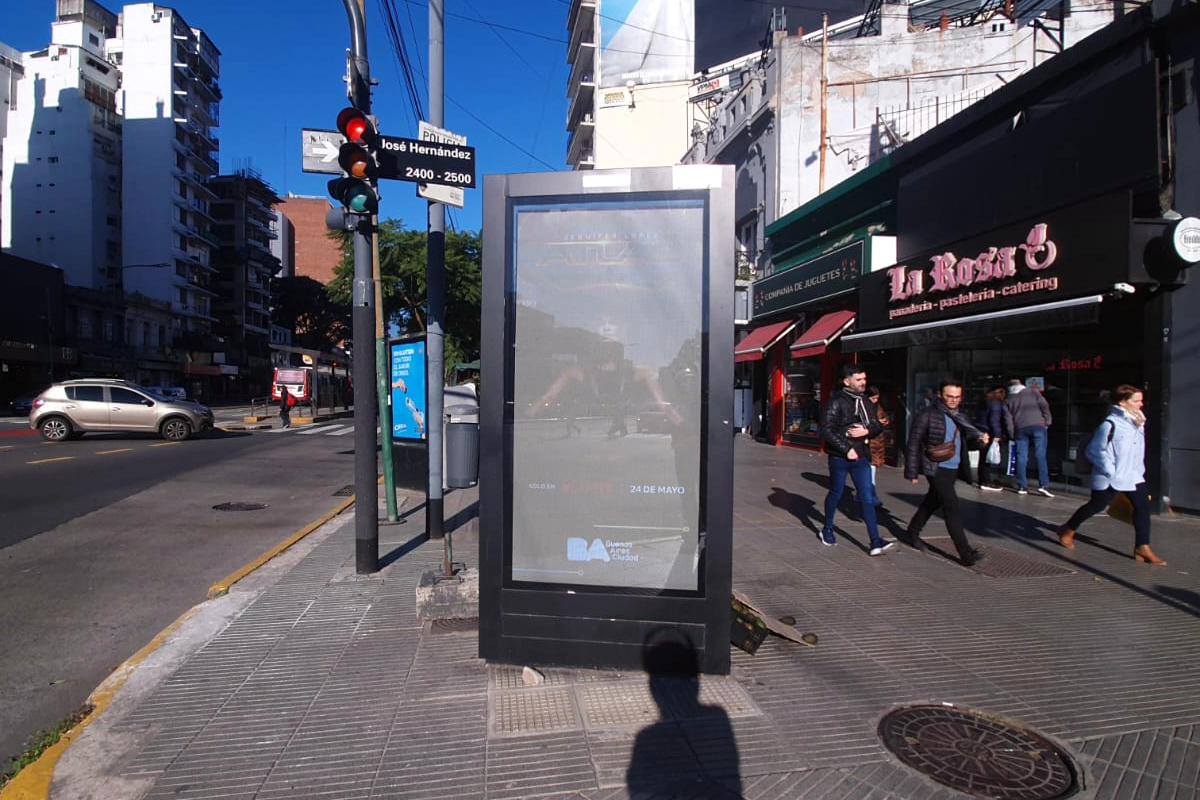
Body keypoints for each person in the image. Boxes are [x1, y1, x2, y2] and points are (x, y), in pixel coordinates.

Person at [1056, 385, 1165, 565]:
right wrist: (1110, 470)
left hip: (1133, 474)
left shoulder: (1138, 422)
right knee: (1096, 505)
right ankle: (1068, 528)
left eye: (1141, 400)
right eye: (1136, 400)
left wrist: (1138, 469)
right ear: (1122, 402)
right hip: (1110, 476)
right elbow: (1094, 451)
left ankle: (1142, 547)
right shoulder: (1109, 424)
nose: (1141, 404)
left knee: (1142, 506)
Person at [904, 379, 991, 566]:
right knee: (951, 506)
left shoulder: (962, 417)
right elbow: (913, 442)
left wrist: (981, 442)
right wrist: (912, 472)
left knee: (932, 501)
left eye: (957, 397)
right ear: (940, 395)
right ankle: (965, 553)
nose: (953, 400)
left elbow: (967, 443)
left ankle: (911, 533)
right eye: (949, 396)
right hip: (935, 466)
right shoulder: (927, 414)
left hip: (954, 467)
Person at [818, 364, 895, 556]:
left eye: (864, 379)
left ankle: (875, 541)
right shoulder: (836, 402)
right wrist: (846, 449)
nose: (863, 383)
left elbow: (877, 424)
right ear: (847, 381)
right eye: (858, 379)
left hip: (862, 457)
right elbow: (826, 429)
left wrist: (867, 430)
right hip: (840, 458)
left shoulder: (866, 401)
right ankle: (827, 529)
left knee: (867, 497)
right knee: (836, 493)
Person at [1005, 378, 1054, 496]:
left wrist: (1012, 434)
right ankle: (1043, 485)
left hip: (1020, 428)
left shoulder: (1008, 400)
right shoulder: (1032, 392)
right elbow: (1044, 406)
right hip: (1038, 425)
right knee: (1040, 455)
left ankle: (1022, 486)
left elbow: (1008, 420)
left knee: (1021, 457)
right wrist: (1047, 421)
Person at [977, 386, 1014, 491]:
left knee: (984, 457)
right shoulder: (996, 403)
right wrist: (997, 434)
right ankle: (986, 481)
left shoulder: (985, 401)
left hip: (982, 429)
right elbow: (994, 420)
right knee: (987, 458)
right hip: (989, 432)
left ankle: (983, 479)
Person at [866, 386, 889, 506]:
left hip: (878, 443)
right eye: (873, 398)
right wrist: (877, 423)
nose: (875, 401)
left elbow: (883, 417)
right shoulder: (863, 407)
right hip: (869, 443)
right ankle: (872, 496)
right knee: (870, 471)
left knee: (871, 471)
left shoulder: (877, 407)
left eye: (877, 398)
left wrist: (885, 421)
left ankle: (865, 494)